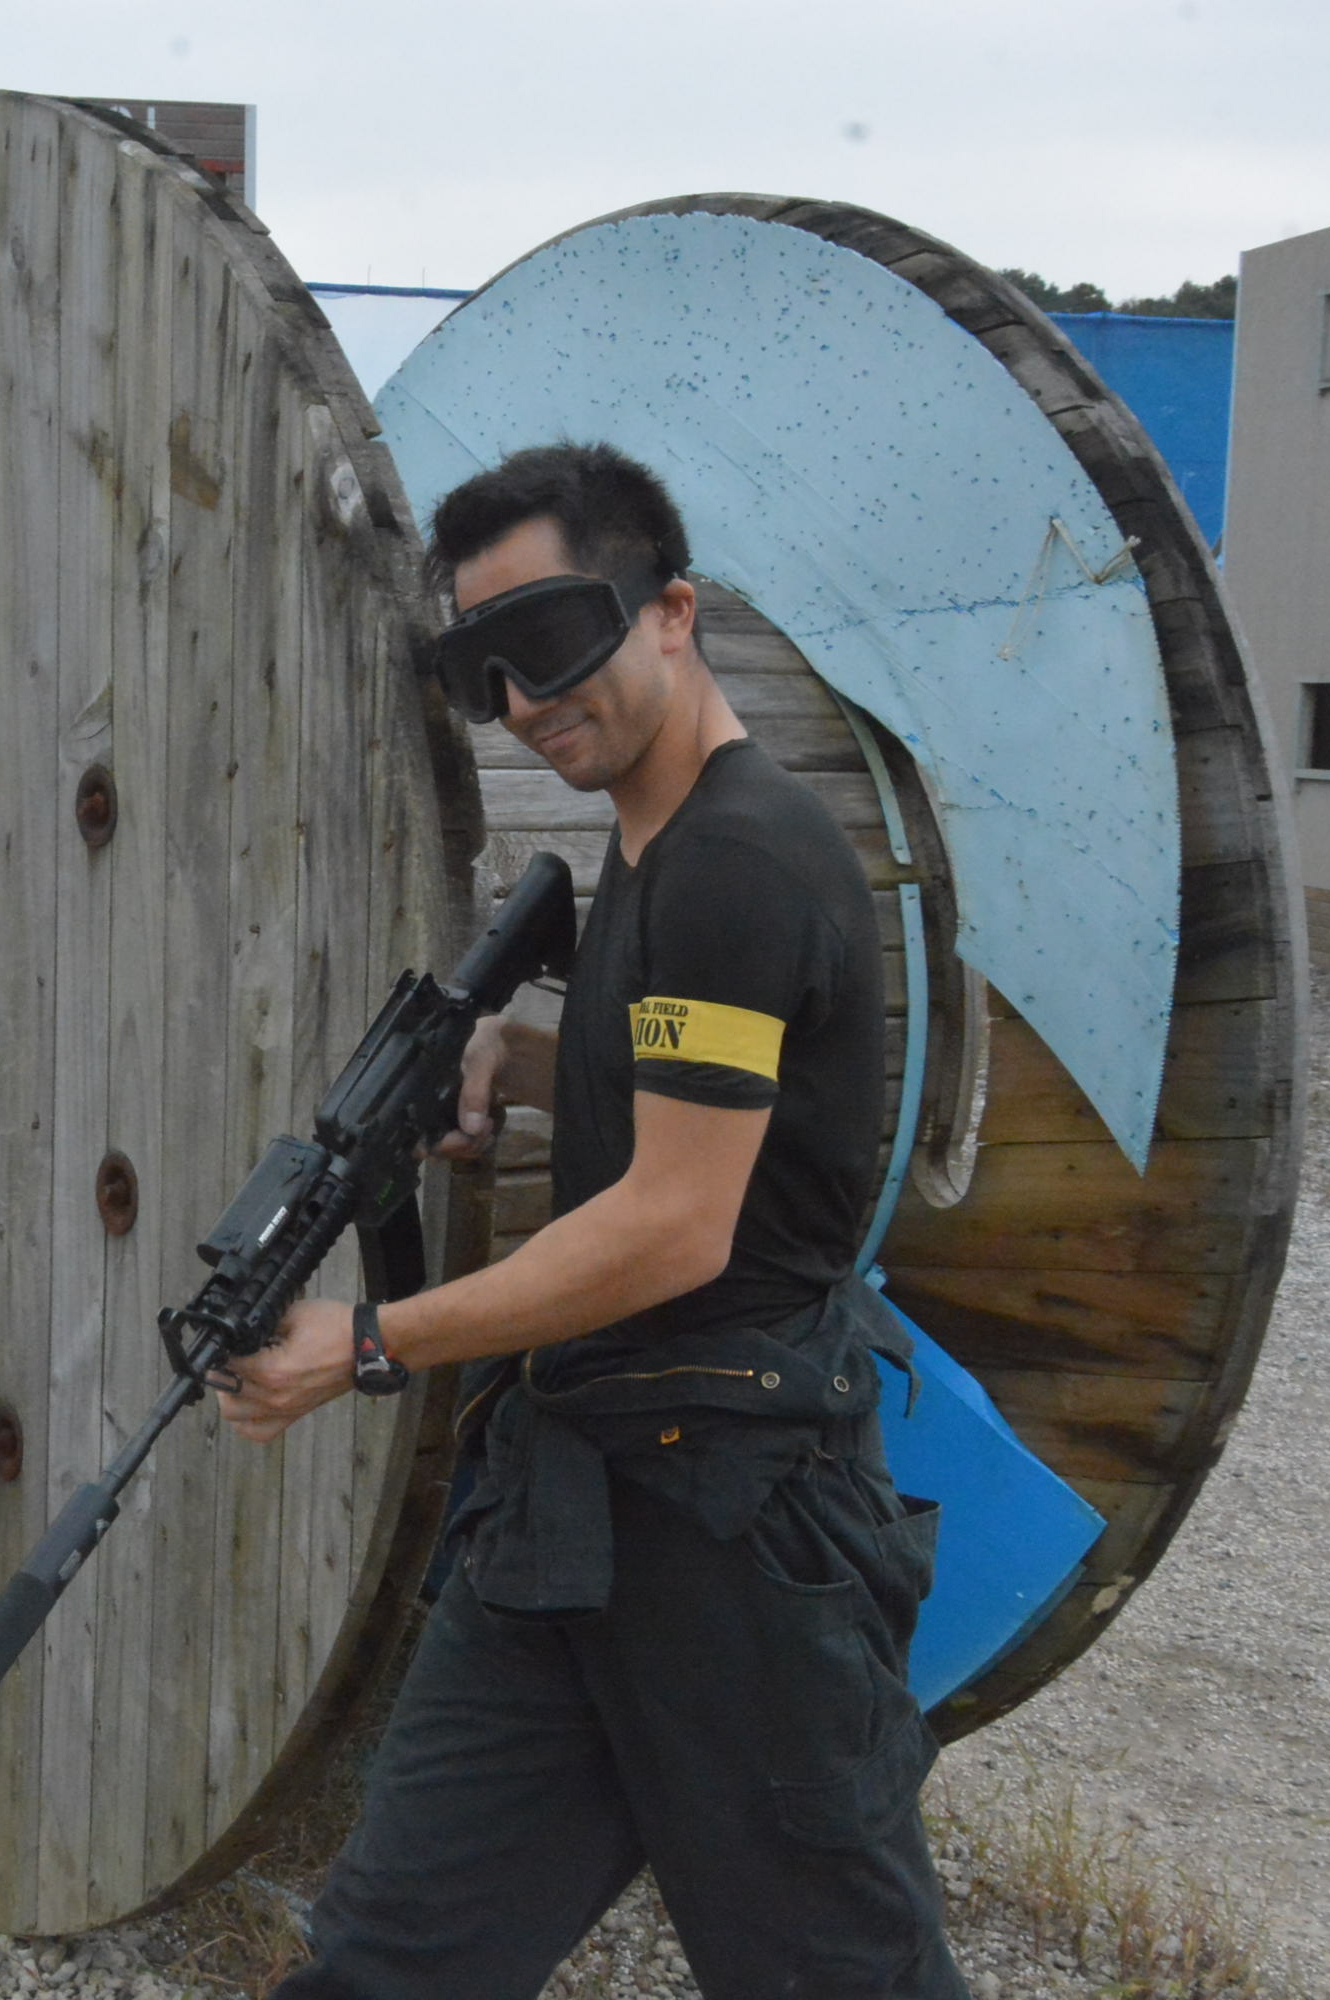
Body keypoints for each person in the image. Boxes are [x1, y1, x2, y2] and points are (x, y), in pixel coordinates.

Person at [219, 446, 965, 2000]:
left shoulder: (741, 862)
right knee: (387, 1962)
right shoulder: (651, 839)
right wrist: (518, 1058)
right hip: (577, 1511)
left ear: (672, 611)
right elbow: (708, 1110)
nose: (523, 701)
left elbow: (678, 1226)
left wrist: (369, 1344)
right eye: (481, 673)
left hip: (741, 1535)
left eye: (551, 640)